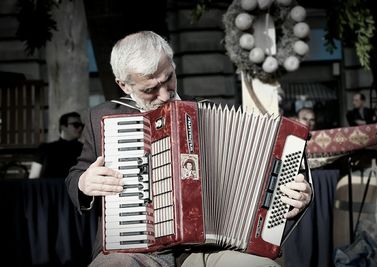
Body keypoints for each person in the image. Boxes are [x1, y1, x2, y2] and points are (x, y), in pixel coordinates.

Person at [65, 31, 312, 267]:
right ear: (124, 85)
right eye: (150, 89)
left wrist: (295, 194)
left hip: (205, 250)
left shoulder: (208, 114)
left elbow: (263, 173)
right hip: (134, 249)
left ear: (172, 65)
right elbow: (76, 175)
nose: (164, 95)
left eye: (168, 79)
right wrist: (84, 183)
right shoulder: (104, 118)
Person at [29, 112, 84, 179]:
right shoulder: (44, 148)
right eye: (76, 125)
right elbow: (33, 178)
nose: (80, 128)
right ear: (63, 127)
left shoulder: (85, 149)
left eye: (82, 125)